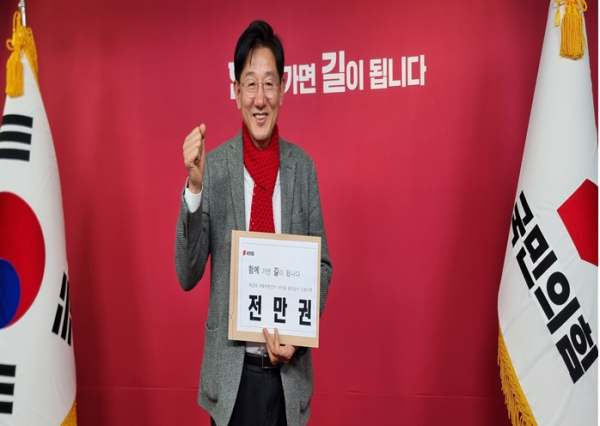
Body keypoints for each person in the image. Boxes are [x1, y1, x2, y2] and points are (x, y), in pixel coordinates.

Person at [174, 20, 333, 426]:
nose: (260, 98)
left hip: (288, 379)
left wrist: (297, 338)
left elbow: (321, 266)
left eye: (268, 84)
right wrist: (195, 187)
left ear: (283, 88)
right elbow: (187, 274)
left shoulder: (302, 169)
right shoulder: (214, 169)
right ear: (236, 92)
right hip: (232, 381)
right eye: (249, 84)